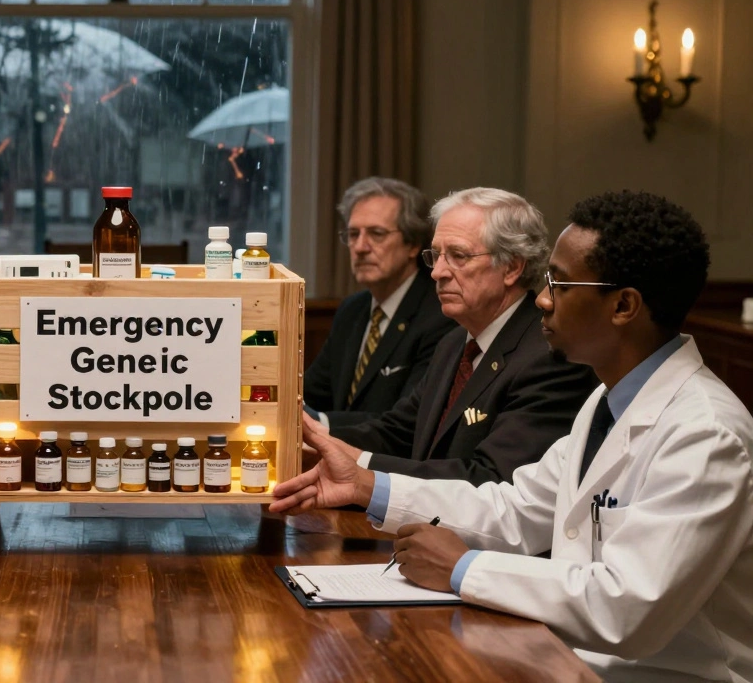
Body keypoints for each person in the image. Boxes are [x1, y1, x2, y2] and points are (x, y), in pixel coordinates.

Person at [273, 191, 753, 681]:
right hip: (571, 659)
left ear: (624, 305)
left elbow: (628, 609)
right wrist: (364, 484)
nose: (542, 298)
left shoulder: (706, 435)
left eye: (560, 284)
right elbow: (516, 509)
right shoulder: (606, 401)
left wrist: (464, 569)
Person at [308, 187, 598, 484]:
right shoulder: (455, 342)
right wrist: (310, 433)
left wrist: (358, 463)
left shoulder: (549, 357)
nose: (438, 272)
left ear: (511, 267)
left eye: (458, 256)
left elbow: (490, 477)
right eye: (436, 255)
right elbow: (398, 432)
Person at [303, 177, 457, 427]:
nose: (360, 247)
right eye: (353, 234)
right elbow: (312, 393)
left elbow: (405, 422)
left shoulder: (440, 313)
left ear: (412, 244)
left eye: (376, 234)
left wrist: (319, 423)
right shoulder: (353, 309)